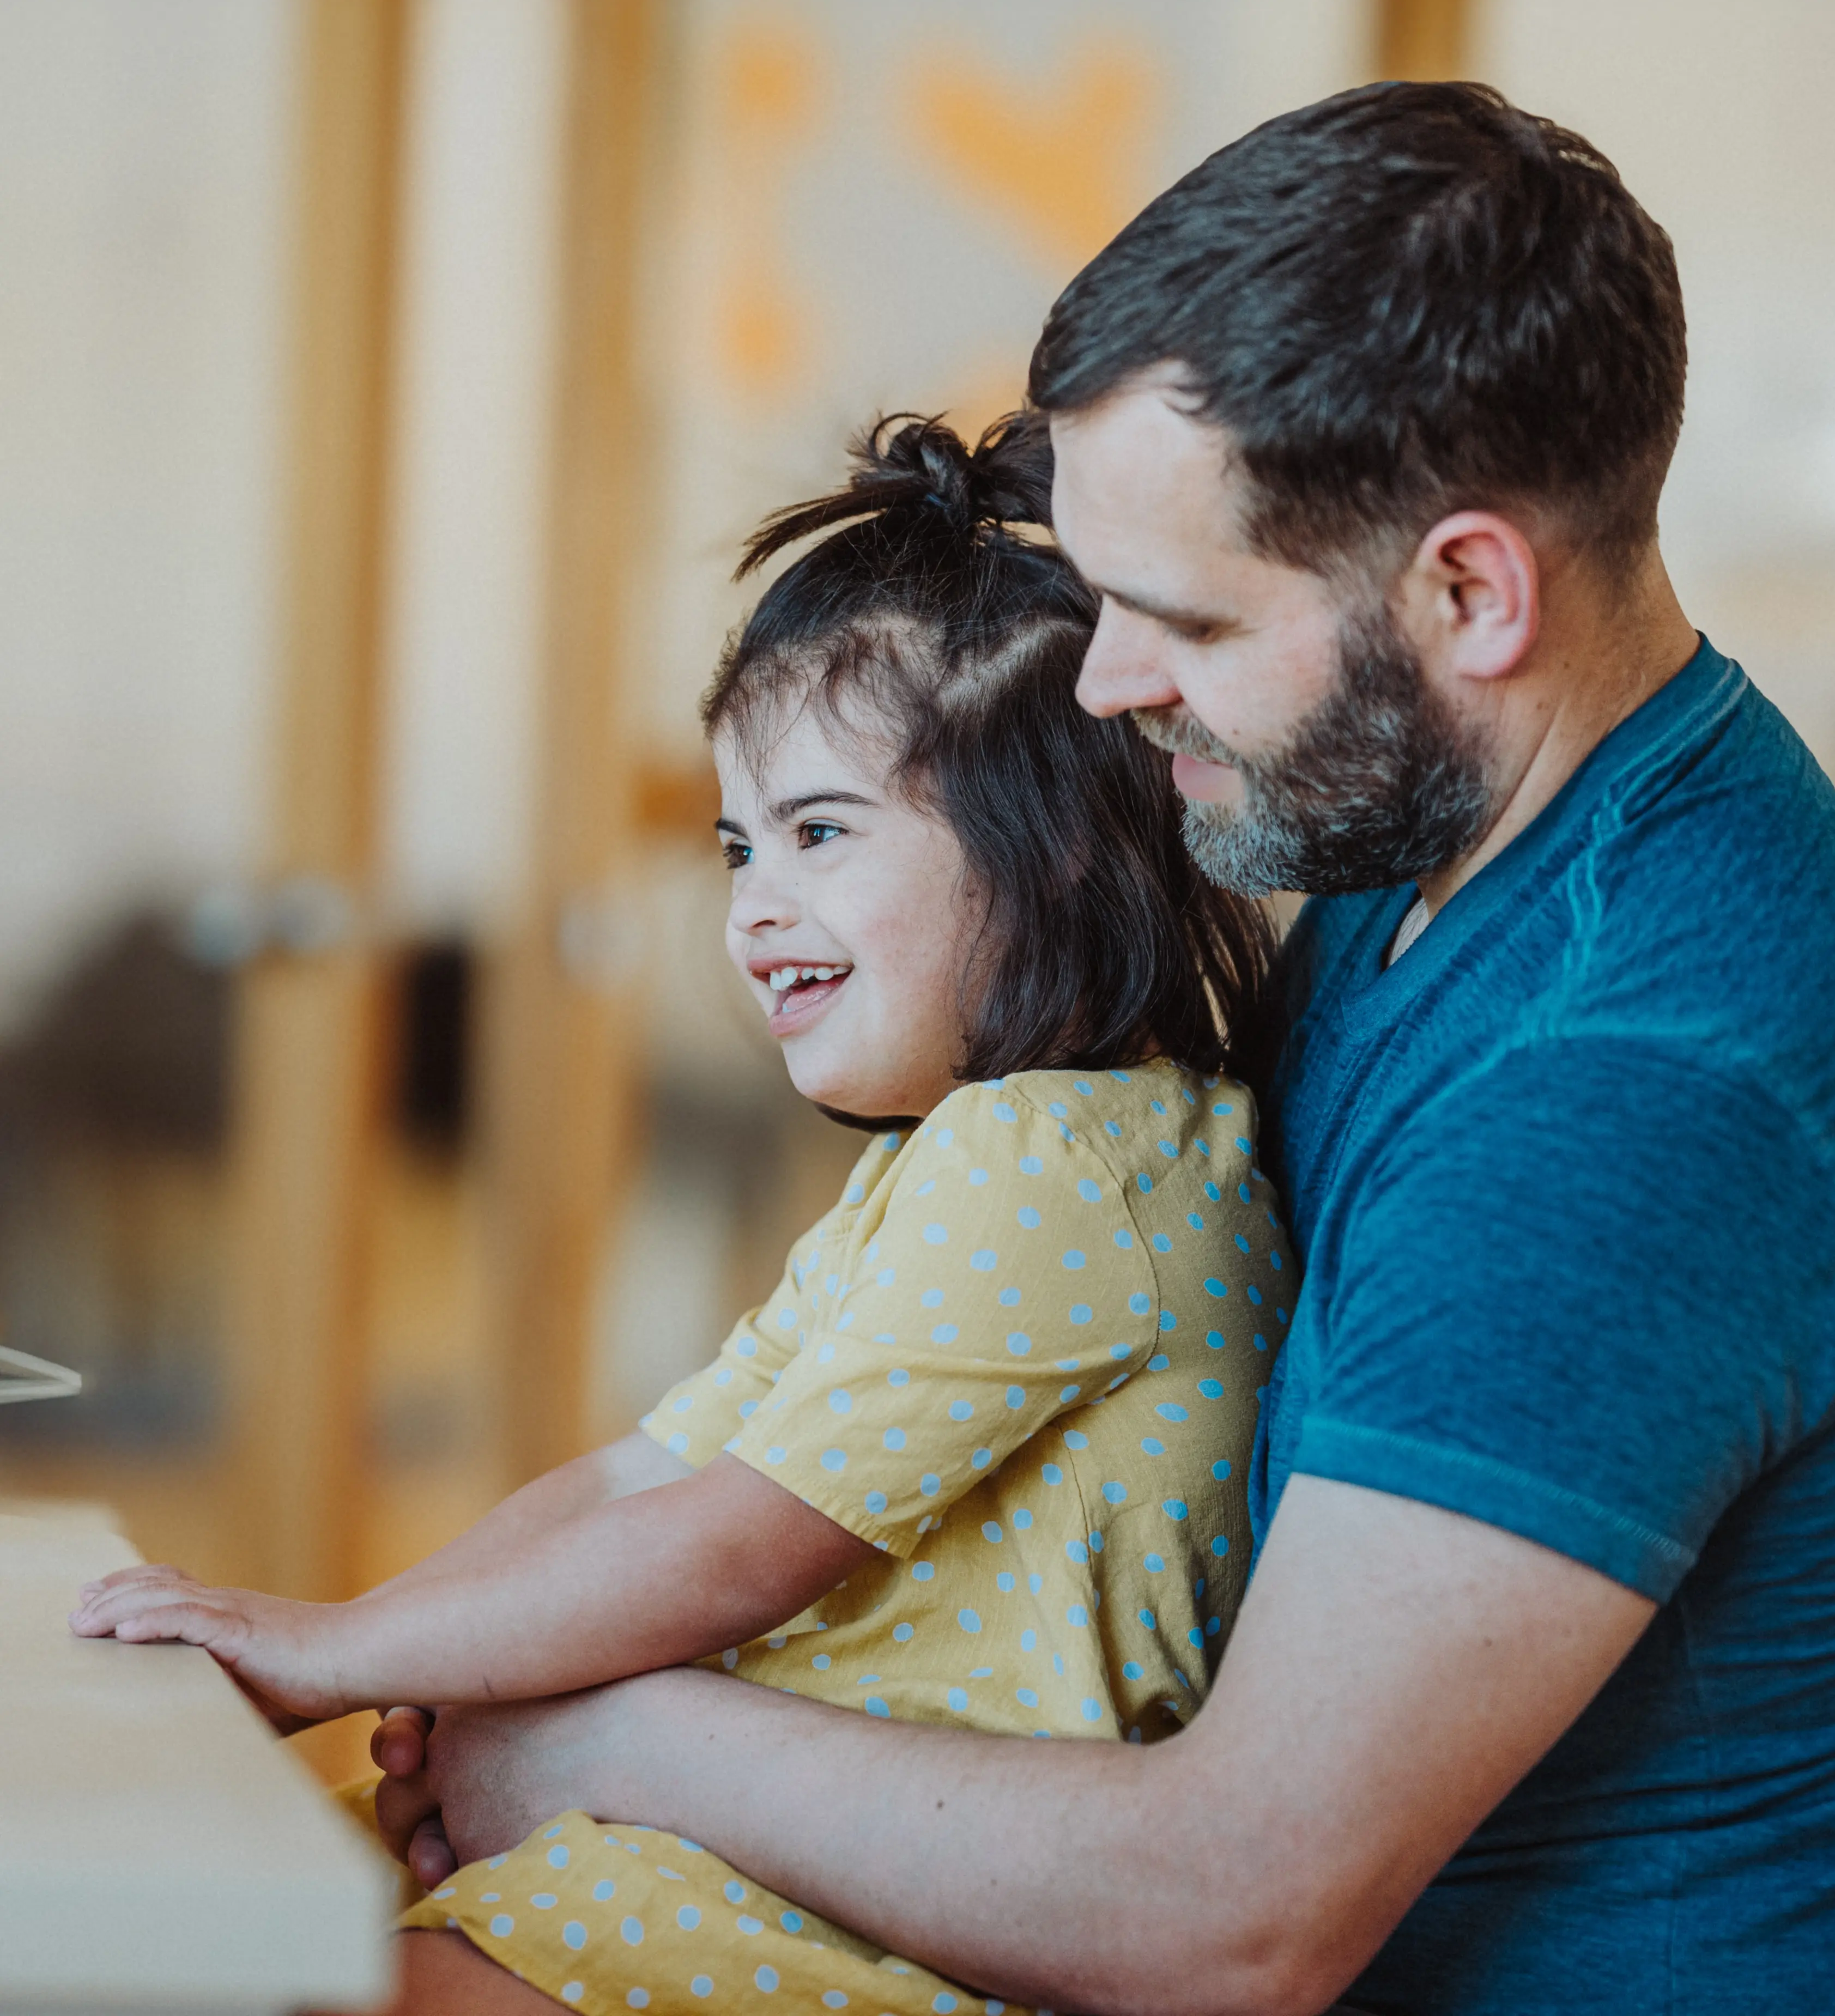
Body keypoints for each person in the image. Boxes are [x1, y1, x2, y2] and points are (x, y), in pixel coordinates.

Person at [363, 80, 1835, 2016]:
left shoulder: (1627, 1088)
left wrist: (621, 1749)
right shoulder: (1432, 841)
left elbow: (1234, 1920)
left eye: (1175, 613)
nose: (1106, 682)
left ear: (1469, 590)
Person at [72, 416, 1289, 2015]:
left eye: (821, 831)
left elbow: (727, 1549)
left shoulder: (1065, 1168)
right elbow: (642, 1471)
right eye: (737, 844)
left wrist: (329, 1653)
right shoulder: (968, 1160)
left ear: (1053, 846)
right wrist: (384, 1658)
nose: (754, 905)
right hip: (770, 1847)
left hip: (876, 1917)